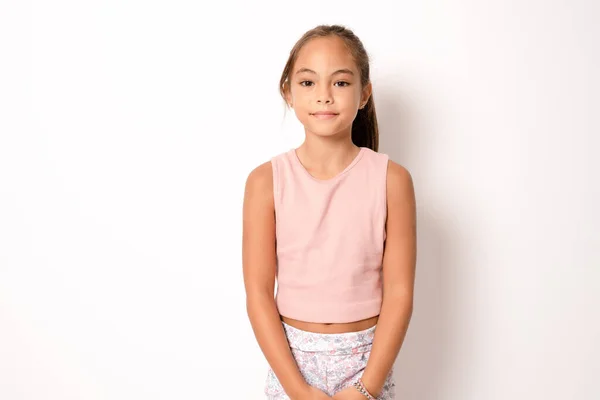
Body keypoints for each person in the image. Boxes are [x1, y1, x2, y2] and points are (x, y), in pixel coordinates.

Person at [242, 24, 417, 400]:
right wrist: (298, 390)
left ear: (364, 93)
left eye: (340, 83)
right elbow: (258, 294)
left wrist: (366, 388)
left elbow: (400, 293)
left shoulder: (392, 180)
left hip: (366, 366)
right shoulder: (264, 182)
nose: (323, 96)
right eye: (308, 83)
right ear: (288, 91)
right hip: (292, 366)